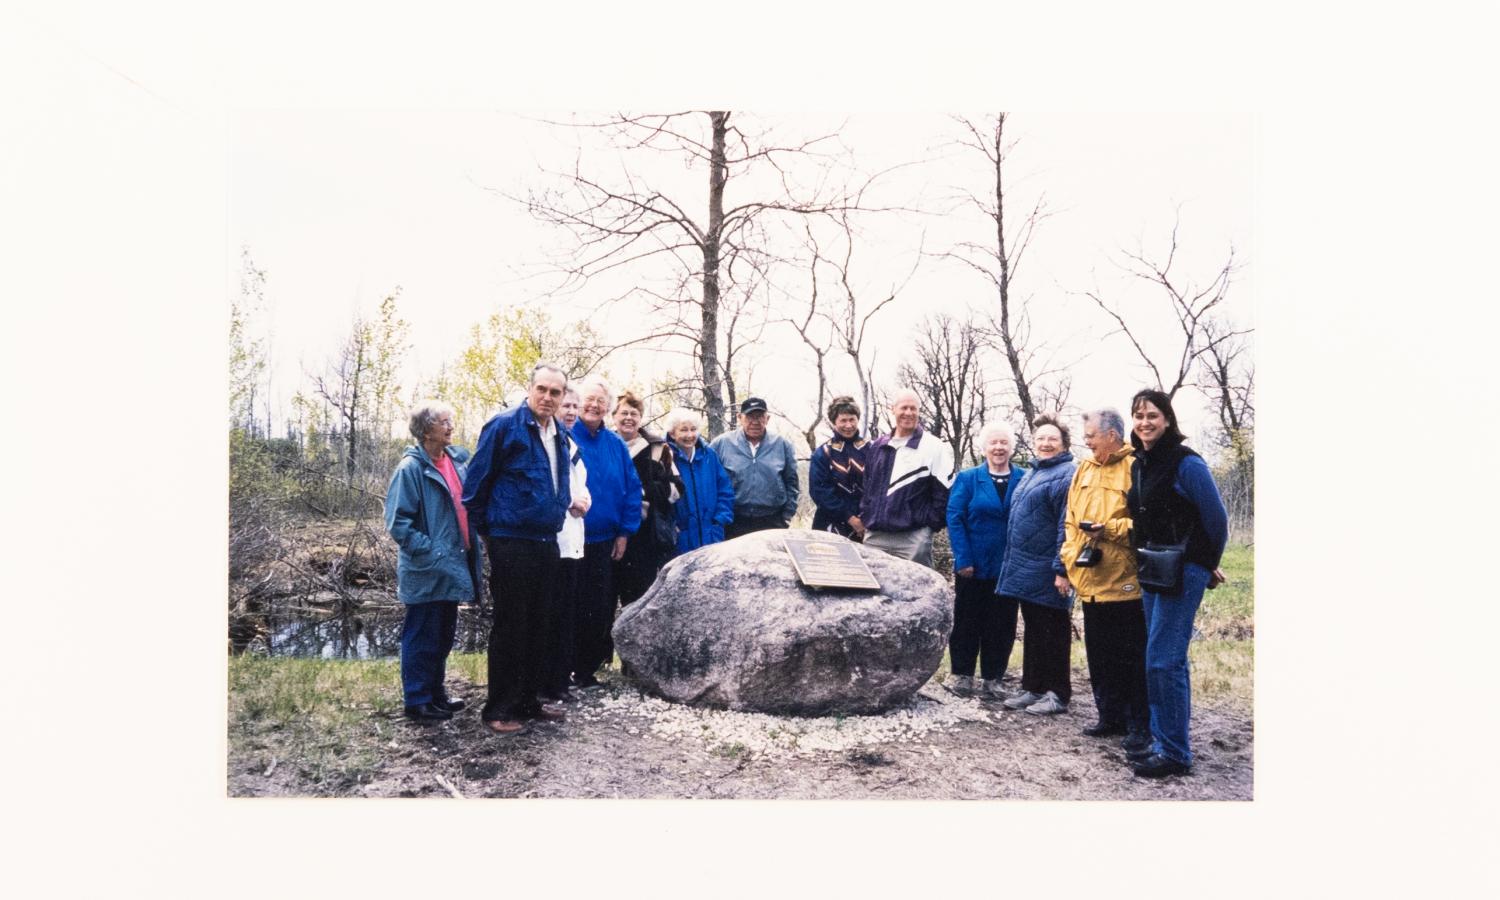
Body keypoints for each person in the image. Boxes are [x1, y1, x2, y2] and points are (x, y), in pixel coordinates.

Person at [462, 363, 578, 734]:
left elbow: (561, 479)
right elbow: (475, 486)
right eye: (541, 389)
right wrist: (489, 533)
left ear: (562, 397)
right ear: (529, 390)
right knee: (512, 625)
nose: (547, 397)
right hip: (511, 540)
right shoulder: (505, 425)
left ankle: (528, 701)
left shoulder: (558, 430)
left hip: (547, 538)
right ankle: (499, 708)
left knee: (540, 622)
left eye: (555, 392)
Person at [1124, 389, 1229, 778]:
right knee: (1166, 660)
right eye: (1138, 416)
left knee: (1162, 660)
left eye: (1152, 415)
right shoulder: (1141, 463)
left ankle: (1174, 753)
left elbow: (1216, 521)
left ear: (1167, 419)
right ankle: (1163, 740)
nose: (1144, 422)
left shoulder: (1187, 462)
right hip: (1154, 567)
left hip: (1182, 572)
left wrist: (1204, 565)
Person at [383, 400, 484, 722]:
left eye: (450, 421)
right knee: (422, 634)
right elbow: (399, 525)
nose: (451, 427)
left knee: (442, 634)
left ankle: (436, 694)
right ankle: (417, 700)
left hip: (453, 564)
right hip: (428, 567)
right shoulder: (410, 469)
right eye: (444, 422)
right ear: (427, 430)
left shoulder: (454, 463)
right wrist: (433, 552)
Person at [1060, 408, 1149, 749]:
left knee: (1132, 657)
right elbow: (1070, 519)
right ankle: (1109, 717)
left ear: (1112, 436)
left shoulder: (1136, 467)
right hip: (1090, 580)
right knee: (1100, 655)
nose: (1087, 442)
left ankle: (1138, 725)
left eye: (1091, 437)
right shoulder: (1083, 468)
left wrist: (1109, 529)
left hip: (1125, 582)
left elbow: (1147, 523)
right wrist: (1070, 555)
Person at [997, 415, 1077, 716]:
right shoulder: (1034, 472)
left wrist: (1062, 569)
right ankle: (1033, 688)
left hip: (1048, 568)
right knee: (1034, 629)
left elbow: (1066, 525)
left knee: (1053, 631)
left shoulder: (1067, 474)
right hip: (1026, 568)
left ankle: (1058, 693)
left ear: (1064, 444)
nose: (1045, 443)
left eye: (1052, 439)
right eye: (1040, 438)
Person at [569, 376, 644, 689]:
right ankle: (560, 671)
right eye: (589, 399)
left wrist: (625, 532)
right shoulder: (565, 435)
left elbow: (632, 490)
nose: (594, 405)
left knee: (598, 608)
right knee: (568, 605)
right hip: (570, 540)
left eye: (601, 401)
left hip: (605, 541)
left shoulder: (614, 444)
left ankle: (586, 670)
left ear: (608, 408)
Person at [943, 422, 1026, 700]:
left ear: (1012, 447)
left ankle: (994, 678)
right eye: (994, 443)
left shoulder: (1024, 478)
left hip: (1009, 565)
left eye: (1004, 443)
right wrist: (963, 558)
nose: (999, 447)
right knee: (967, 620)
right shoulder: (968, 479)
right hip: (973, 564)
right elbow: (954, 518)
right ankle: (962, 676)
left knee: (1002, 624)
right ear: (984, 448)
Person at [859, 389, 954, 566]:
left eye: (913, 408)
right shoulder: (877, 446)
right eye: (904, 408)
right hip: (875, 536)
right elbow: (868, 489)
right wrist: (866, 515)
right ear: (892, 409)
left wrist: (929, 527)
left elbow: (944, 494)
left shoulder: (934, 446)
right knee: (872, 591)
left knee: (918, 592)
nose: (908, 413)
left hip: (913, 538)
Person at [541, 386, 591, 704]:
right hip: (553, 540)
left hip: (574, 538)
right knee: (550, 614)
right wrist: (572, 500)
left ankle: (560, 681)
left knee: (566, 614)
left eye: (575, 406)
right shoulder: (546, 442)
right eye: (566, 405)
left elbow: (579, 483)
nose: (571, 411)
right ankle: (546, 682)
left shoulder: (571, 442)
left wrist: (584, 500)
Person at [611, 390, 684, 606]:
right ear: (613, 416)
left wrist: (643, 491)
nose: (628, 418)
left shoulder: (658, 448)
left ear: (640, 418)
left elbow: (677, 489)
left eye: (634, 414)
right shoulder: (605, 443)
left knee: (638, 599)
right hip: (608, 531)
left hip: (644, 534)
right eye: (623, 413)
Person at [710, 397, 800, 539]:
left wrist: (786, 517)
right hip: (733, 520)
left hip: (772, 521)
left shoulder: (782, 445)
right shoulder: (721, 444)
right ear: (740, 417)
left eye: (760, 417)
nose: (755, 422)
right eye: (750, 417)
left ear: (767, 418)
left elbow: (792, 484)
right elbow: (710, 481)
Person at [665, 408, 735, 553]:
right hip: (681, 540)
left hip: (711, 535)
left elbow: (725, 491)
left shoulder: (709, 456)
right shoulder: (665, 457)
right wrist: (672, 527)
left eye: (693, 429)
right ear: (672, 433)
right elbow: (661, 500)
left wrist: (719, 521)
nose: (690, 435)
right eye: (683, 430)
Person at [808, 395, 870, 540]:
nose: (848, 425)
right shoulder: (823, 453)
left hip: (867, 523)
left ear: (857, 419)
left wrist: (865, 519)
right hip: (830, 522)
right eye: (843, 420)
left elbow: (878, 487)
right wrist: (850, 519)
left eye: (852, 419)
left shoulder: (871, 449)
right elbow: (819, 492)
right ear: (834, 421)